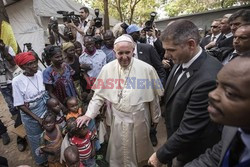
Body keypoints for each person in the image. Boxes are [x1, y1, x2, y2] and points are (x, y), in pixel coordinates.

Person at [77, 34, 164, 166]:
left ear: (133, 50)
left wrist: (156, 118)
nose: (124, 57)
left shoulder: (146, 69)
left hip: (139, 117)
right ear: (114, 52)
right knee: (119, 153)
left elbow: (153, 98)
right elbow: (98, 96)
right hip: (118, 118)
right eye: (120, 53)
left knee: (139, 153)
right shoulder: (107, 69)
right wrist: (89, 114)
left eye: (127, 52)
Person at [148, 19, 223, 167]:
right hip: (176, 146)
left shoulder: (208, 78)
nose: (166, 56)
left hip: (193, 153)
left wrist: (161, 155)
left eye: (171, 50)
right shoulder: (182, 60)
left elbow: (190, 128)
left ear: (191, 44)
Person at [185, 52, 250, 167]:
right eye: (217, 85)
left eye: (229, 92)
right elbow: (216, 157)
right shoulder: (232, 127)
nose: (212, 95)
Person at [12, 52, 48, 165]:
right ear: (22, 67)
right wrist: (38, 119)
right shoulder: (17, 81)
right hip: (31, 113)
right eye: (30, 64)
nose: (35, 66)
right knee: (36, 138)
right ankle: (42, 161)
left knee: (49, 133)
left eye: (35, 62)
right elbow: (20, 105)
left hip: (45, 106)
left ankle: (52, 156)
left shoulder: (40, 73)